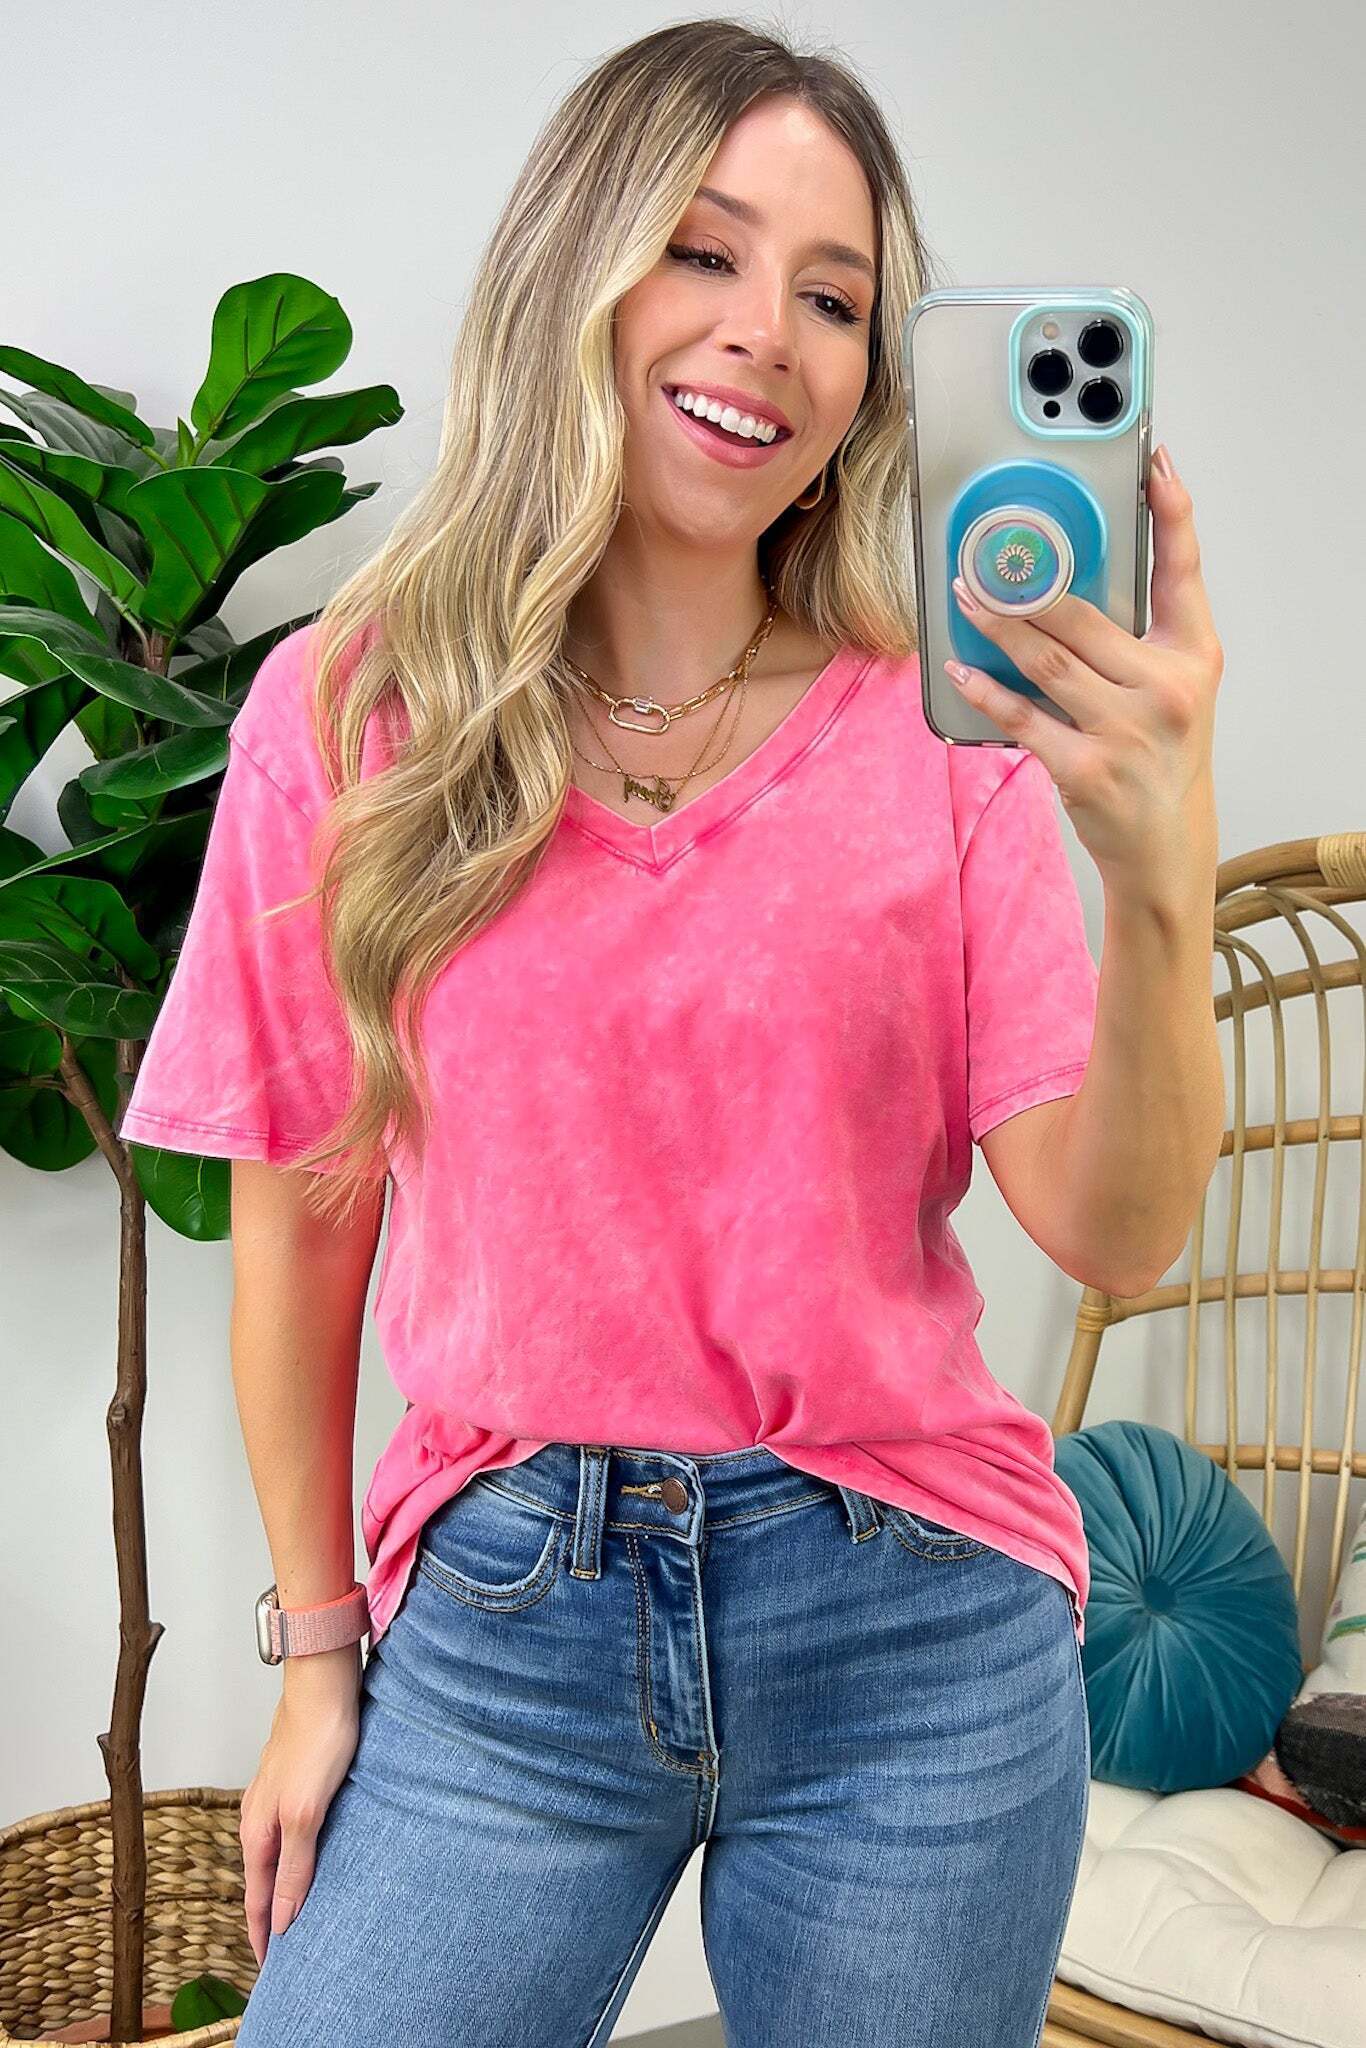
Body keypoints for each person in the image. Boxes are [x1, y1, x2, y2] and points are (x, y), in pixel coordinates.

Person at [119, 20, 1101, 2045]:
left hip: (912, 1619)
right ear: (577, 263)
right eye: (702, 251)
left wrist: (1157, 855)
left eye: (833, 298)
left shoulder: (946, 734)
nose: (766, 335)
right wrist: (315, 1658)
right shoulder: (351, 717)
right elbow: (302, 1219)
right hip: (506, 1622)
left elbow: (1108, 1225)